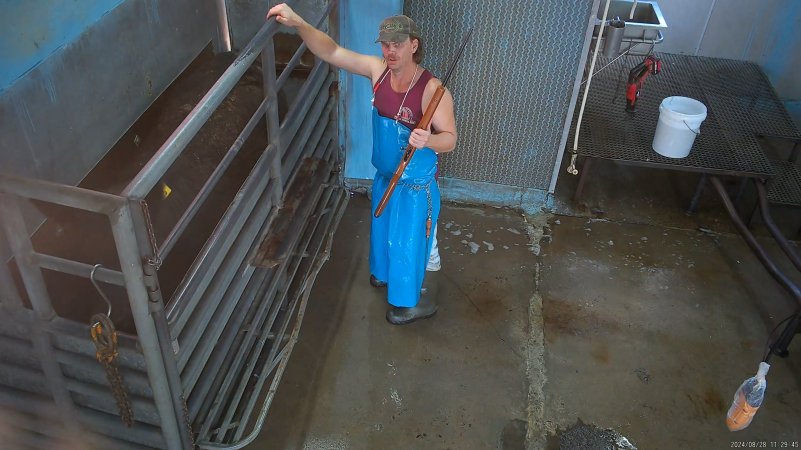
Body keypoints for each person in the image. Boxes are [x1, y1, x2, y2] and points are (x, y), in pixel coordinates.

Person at [267, 4, 457, 324]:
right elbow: (332, 51)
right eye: (386, 44)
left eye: (398, 44)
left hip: (413, 185)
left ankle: (408, 303)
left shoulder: (433, 91)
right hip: (385, 175)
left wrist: (429, 141)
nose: (391, 51)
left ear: (414, 45)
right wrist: (299, 23)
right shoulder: (376, 70)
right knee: (382, 235)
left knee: (407, 243)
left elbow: (450, 139)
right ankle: (383, 276)